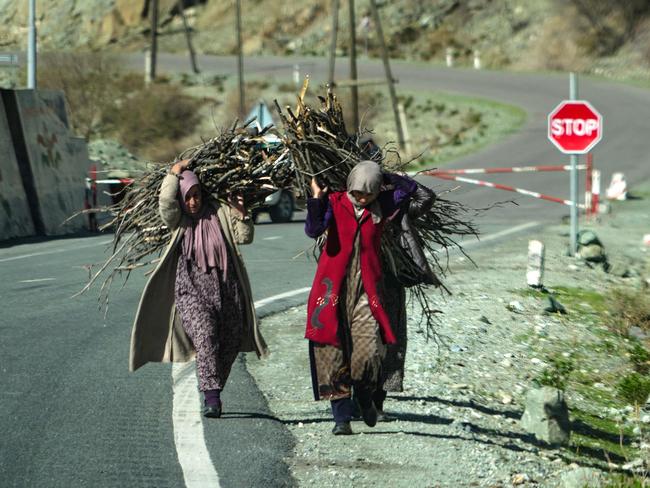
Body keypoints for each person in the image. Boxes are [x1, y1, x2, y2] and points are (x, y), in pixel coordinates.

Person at [129, 159, 268, 418]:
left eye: (197, 195)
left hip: (228, 291)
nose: (193, 202)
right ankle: (212, 398)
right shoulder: (179, 221)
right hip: (191, 291)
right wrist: (174, 174)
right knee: (205, 335)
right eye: (188, 197)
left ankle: (212, 387)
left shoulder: (219, 213)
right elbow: (166, 204)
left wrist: (241, 213)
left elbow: (244, 237)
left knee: (229, 341)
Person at [304, 160, 426, 435]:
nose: (362, 198)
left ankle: (363, 395)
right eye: (358, 192)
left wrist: (386, 176)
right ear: (349, 187)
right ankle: (341, 419)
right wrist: (316, 199)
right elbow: (312, 230)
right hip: (331, 290)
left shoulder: (383, 205)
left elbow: (415, 191)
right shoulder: (334, 202)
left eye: (368, 193)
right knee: (330, 351)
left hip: (366, 293)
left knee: (369, 352)